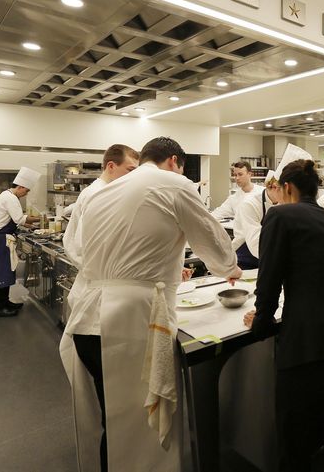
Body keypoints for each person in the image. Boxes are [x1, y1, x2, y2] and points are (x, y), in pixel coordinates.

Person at [59, 137, 241, 472]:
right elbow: (212, 240)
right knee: (137, 435)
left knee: (111, 423)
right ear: (173, 161)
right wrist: (230, 267)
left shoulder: (103, 192)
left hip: (85, 319)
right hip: (127, 322)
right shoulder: (174, 183)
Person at [243, 159, 324, 472]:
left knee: (296, 445)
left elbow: (269, 278)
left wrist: (262, 323)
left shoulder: (280, 215)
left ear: (287, 188)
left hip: (308, 346)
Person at [63, 144, 139, 268]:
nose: (134, 176)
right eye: (130, 170)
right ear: (111, 166)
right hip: (97, 271)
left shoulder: (104, 191)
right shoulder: (98, 194)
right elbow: (83, 244)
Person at [0, 167, 41, 317]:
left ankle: (5, 302)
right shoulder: (11, 198)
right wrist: (42, 218)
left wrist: (29, 225)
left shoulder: (6, 195)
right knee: (1, 274)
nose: (26, 194)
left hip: (0, 239)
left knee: (6, 273)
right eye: (26, 191)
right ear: (20, 187)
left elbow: (13, 219)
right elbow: (19, 219)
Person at [231, 173, 283, 269]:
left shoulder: (282, 203)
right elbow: (255, 243)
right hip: (246, 258)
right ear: (275, 187)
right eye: (288, 192)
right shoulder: (250, 204)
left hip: (269, 256)